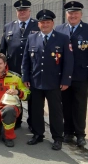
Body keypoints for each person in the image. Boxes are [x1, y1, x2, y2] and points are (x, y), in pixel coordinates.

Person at [22, 9, 73, 151]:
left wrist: (66, 80)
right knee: (36, 110)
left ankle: (57, 138)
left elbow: (68, 62)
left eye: (47, 22)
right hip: (35, 81)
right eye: (42, 22)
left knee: (56, 111)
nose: (45, 25)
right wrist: (25, 77)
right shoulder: (32, 38)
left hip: (54, 82)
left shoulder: (62, 38)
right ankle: (38, 134)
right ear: (38, 24)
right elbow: (26, 60)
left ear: (52, 23)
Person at [0, 0, 39, 130]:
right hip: (13, 68)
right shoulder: (8, 26)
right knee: (14, 95)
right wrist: (2, 66)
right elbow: (2, 49)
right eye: (19, 10)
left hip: (32, 68)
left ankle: (33, 123)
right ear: (16, 12)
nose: (22, 12)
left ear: (29, 11)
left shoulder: (37, 25)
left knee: (33, 97)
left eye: (25, 10)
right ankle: (16, 120)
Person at [54, 1, 87, 146]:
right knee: (65, 104)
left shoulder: (87, 29)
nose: (73, 15)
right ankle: (68, 132)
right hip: (63, 75)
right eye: (70, 13)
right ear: (66, 14)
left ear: (81, 14)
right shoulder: (59, 29)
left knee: (80, 105)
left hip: (82, 75)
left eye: (76, 13)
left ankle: (80, 134)